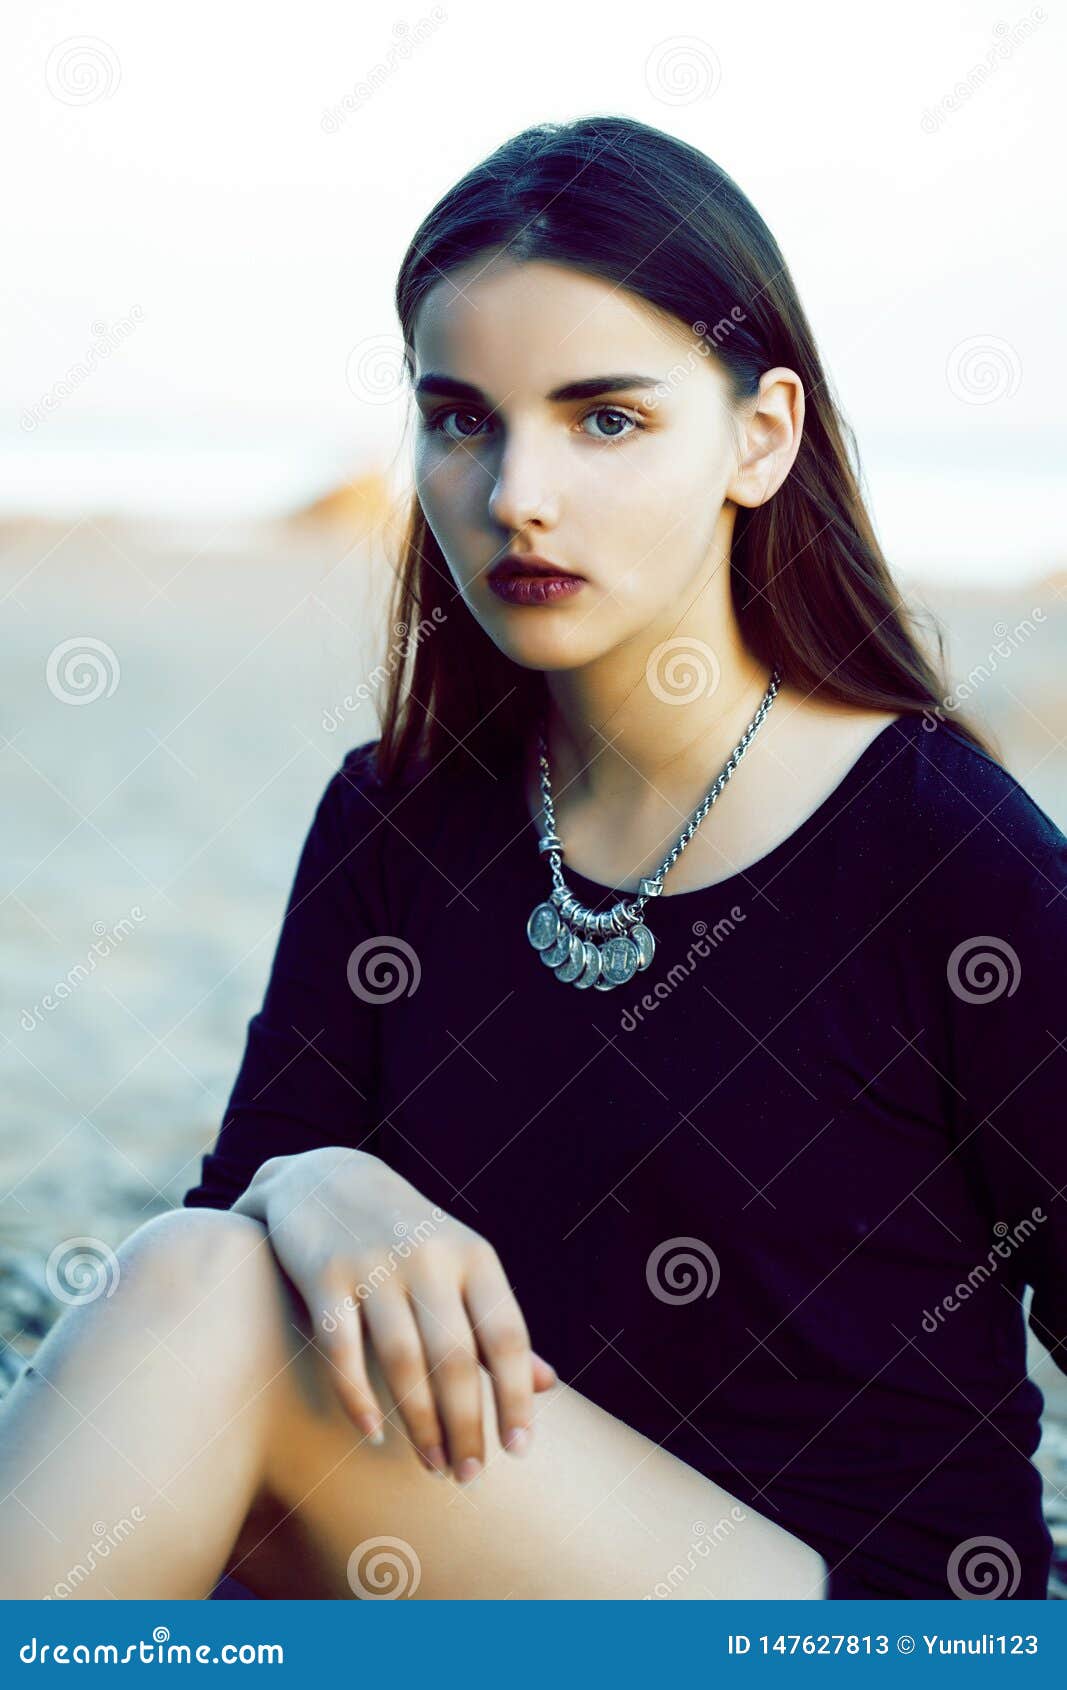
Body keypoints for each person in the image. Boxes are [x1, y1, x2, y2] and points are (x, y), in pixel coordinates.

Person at [2, 115, 1064, 1603]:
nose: (515, 496)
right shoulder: (397, 820)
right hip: (462, 1579)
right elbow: (239, 1230)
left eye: (605, 418)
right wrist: (319, 1181)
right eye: (462, 419)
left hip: (851, 1619)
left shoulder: (945, 852)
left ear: (761, 437)